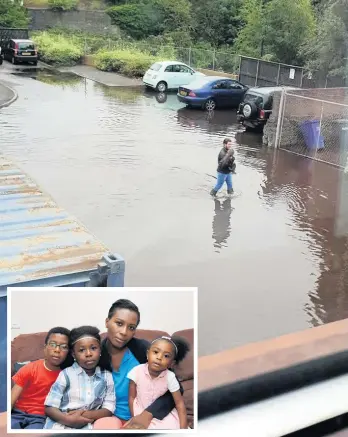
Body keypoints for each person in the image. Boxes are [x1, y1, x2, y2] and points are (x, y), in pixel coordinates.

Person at [93, 299, 184, 430]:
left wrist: (148, 414)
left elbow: (177, 389)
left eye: (131, 327)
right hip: (111, 417)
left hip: (147, 418)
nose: (124, 332)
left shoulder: (144, 351)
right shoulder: (95, 354)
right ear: (107, 322)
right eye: (119, 323)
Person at [44, 326, 115, 430]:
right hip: (61, 422)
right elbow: (49, 407)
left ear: (100, 350)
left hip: (88, 424)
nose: (88, 354)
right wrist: (69, 420)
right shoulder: (66, 374)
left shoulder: (107, 376)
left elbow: (109, 409)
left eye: (93, 348)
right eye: (81, 350)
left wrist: (87, 415)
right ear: (73, 354)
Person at [11, 327, 70, 430]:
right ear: (45, 348)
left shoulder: (66, 375)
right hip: (17, 413)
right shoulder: (30, 368)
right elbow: (11, 399)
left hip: (40, 418)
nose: (57, 350)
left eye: (64, 346)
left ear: (69, 352)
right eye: (52, 345)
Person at [127, 336, 189, 429]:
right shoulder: (136, 372)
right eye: (156, 352)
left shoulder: (170, 377)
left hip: (163, 416)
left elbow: (179, 403)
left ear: (172, 363)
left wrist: (183, 429)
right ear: (148, 354)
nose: (159, 357)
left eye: (166, 356)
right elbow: (132, 397)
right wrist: (134, 417)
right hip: (140, 411)